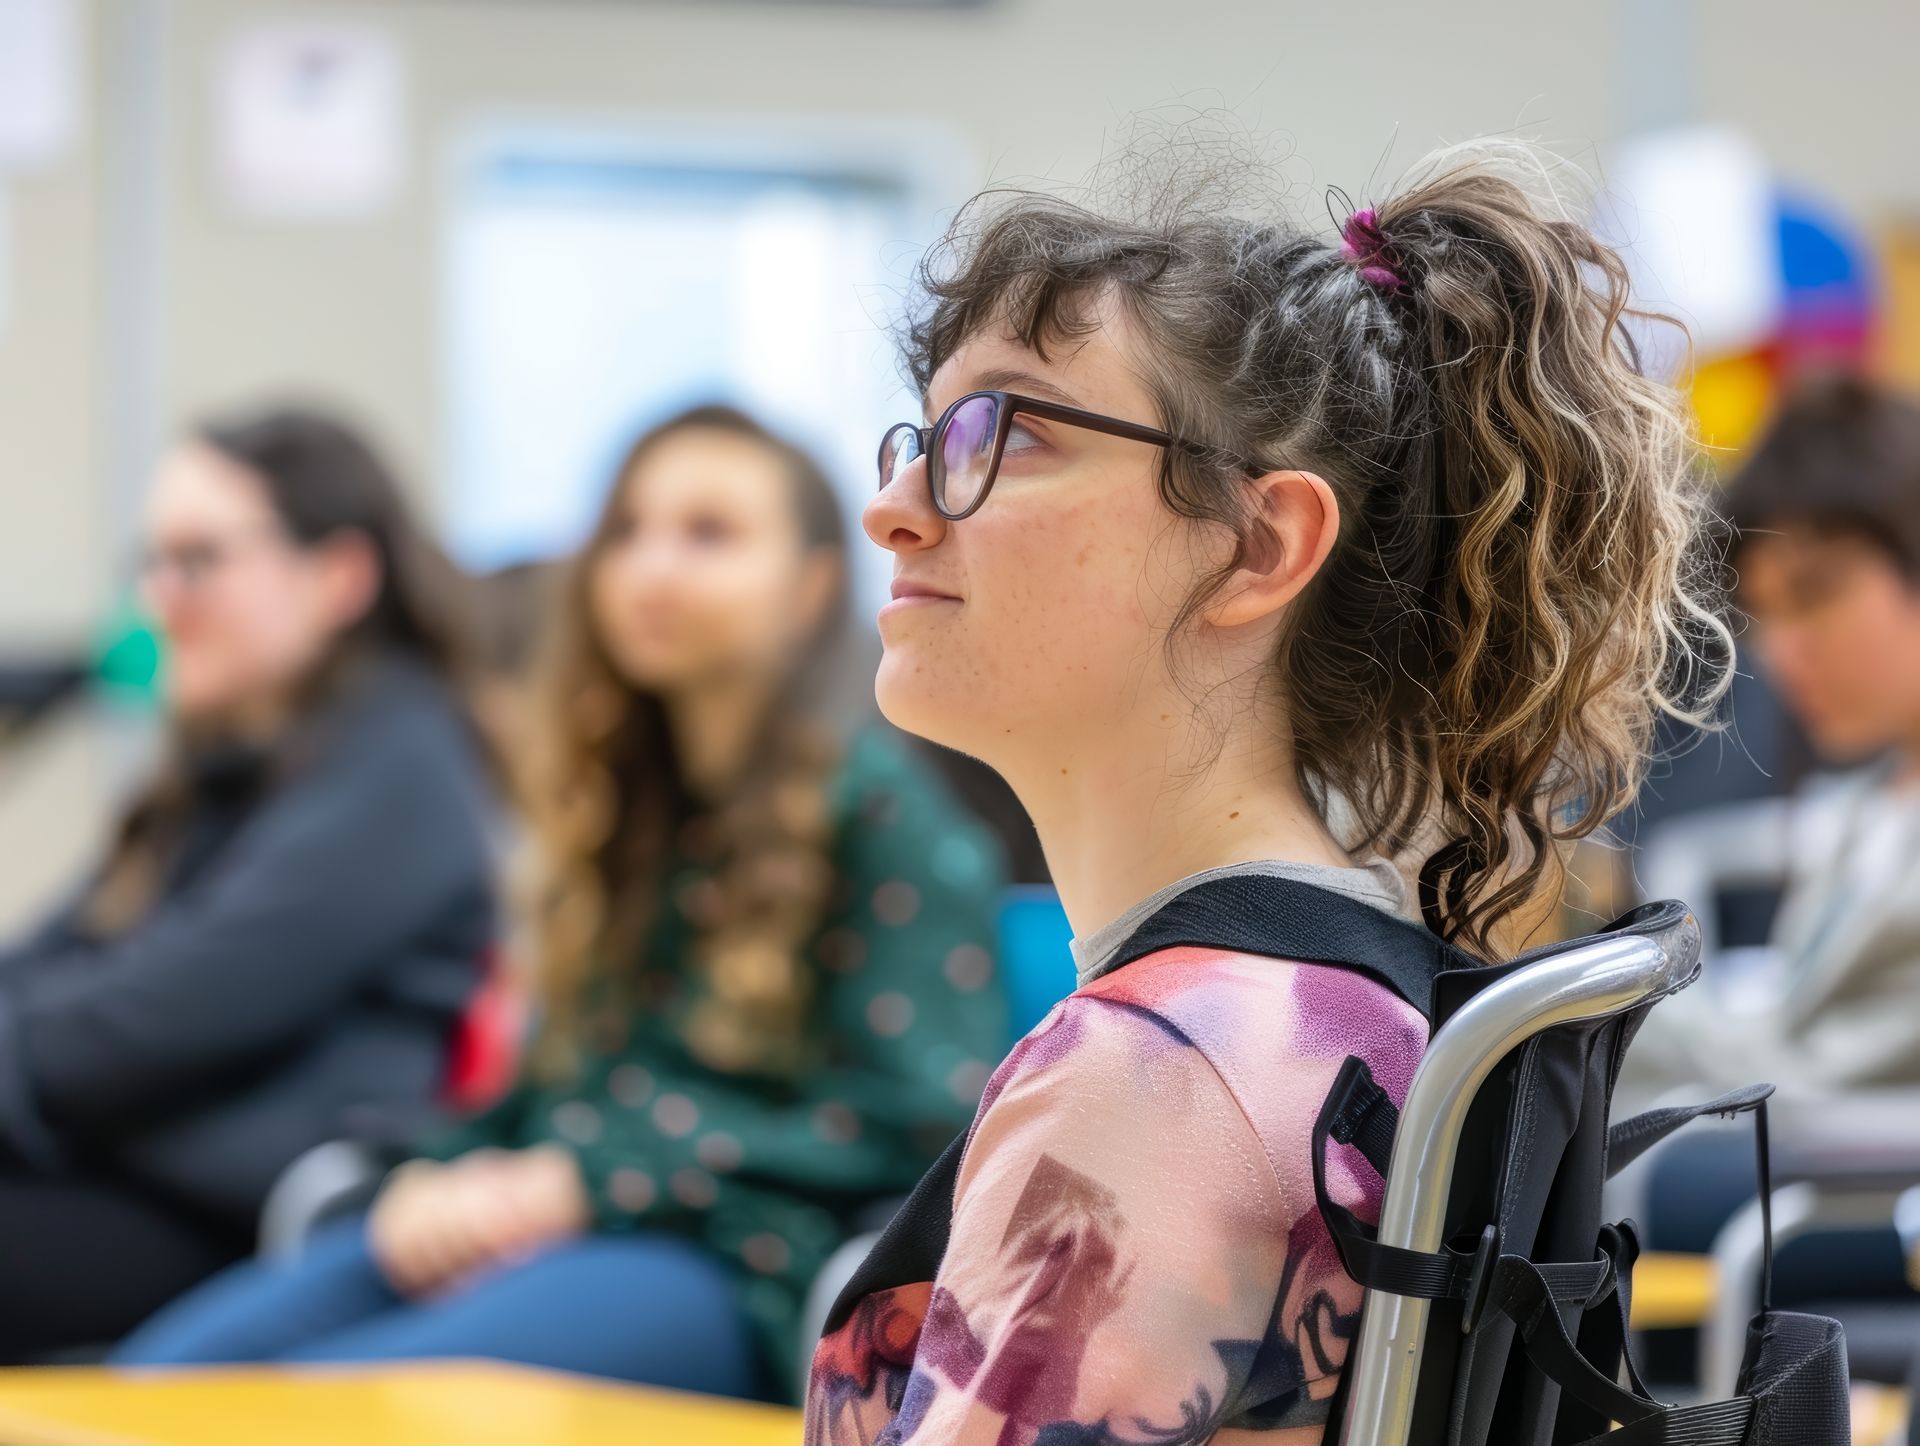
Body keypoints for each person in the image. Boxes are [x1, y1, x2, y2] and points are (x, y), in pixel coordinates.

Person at [804, 150, 1728, 1444]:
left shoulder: (1152, 1081)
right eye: (926, 437)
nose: (894, 510)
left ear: (1260, 543)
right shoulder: (1342, 997)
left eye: (1007, 435)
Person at [118, 405, 1011, 1399]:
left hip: (726, 1261)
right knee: (150, 1389)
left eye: (708, 534)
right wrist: (435, 1178)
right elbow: (558, 1094)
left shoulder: (886, 819)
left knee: (332, 1412)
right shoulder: (618, 809)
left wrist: (590, 1181)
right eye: (626, 531)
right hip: (540, 1214)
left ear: (808, 588)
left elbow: (918, 1125)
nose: (650, 568)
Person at [0, 408, 497, 1359]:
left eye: (198, 560)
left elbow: (154, 1019)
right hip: (108, 1175)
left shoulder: (401, 766)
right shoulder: (224, 766)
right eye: (151, 562)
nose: (161, 597)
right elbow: (49, 966)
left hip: (232, 1228)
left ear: (340, 575)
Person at [1621, 376, 1920, 1108]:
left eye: (1817, 592)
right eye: (1764, 615)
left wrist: (1575, 977)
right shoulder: (1862, 802)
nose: (1785, 652)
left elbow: (1807, 1087)